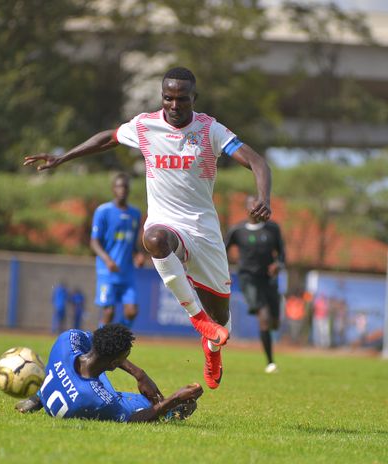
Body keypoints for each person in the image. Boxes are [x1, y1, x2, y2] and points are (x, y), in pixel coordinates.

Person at [23, 66, 272, 390]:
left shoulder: (210, 129)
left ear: (193, 98)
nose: (174, 104)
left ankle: (211, 349)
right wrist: (62, 157)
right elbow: (107, 139)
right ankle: (197, 320)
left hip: (203, 230)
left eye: (181, 99)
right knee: (153, 239)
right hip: (165, 222)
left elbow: (257, 162)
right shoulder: (145, 125)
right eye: (168, 97)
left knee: (222, 320)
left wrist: (264, 198)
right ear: (162, 97)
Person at [14, 324, 203, 422]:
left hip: (63, 386)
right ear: (113, 364)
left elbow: (95, 340)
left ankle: (38, 398)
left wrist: (140, 374)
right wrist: (175, 399)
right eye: (124, 357)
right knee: (179, 408)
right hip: (80, 397)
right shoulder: (98, 398)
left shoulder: (67, 340)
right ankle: (176, 409)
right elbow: (133, 420)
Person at [225, 194, 285, 373]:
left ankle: (270, 357)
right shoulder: (237, 230)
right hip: (248, 278)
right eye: (254, 205)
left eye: (260, 205)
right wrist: (222, 268)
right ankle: (270, 363)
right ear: (247, 208)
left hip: (269, 279)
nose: (257, 208)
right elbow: (221, 249)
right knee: (264, 317)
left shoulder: (273, 229)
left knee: (274, 322)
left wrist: (278, 265)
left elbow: (281, 253)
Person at [91, 173, 143, 328]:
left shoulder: (135, 214)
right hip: (107, 271)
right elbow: (94, 242)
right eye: (119, 186)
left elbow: (133, 243)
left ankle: (117, 339)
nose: (122, 190)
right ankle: (99, 345)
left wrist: (138, 255)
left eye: (125, 187)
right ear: (113, 189)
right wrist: (107, 260)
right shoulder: (103, 211)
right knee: (109, 312)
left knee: (132, 311)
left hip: (127, 272)